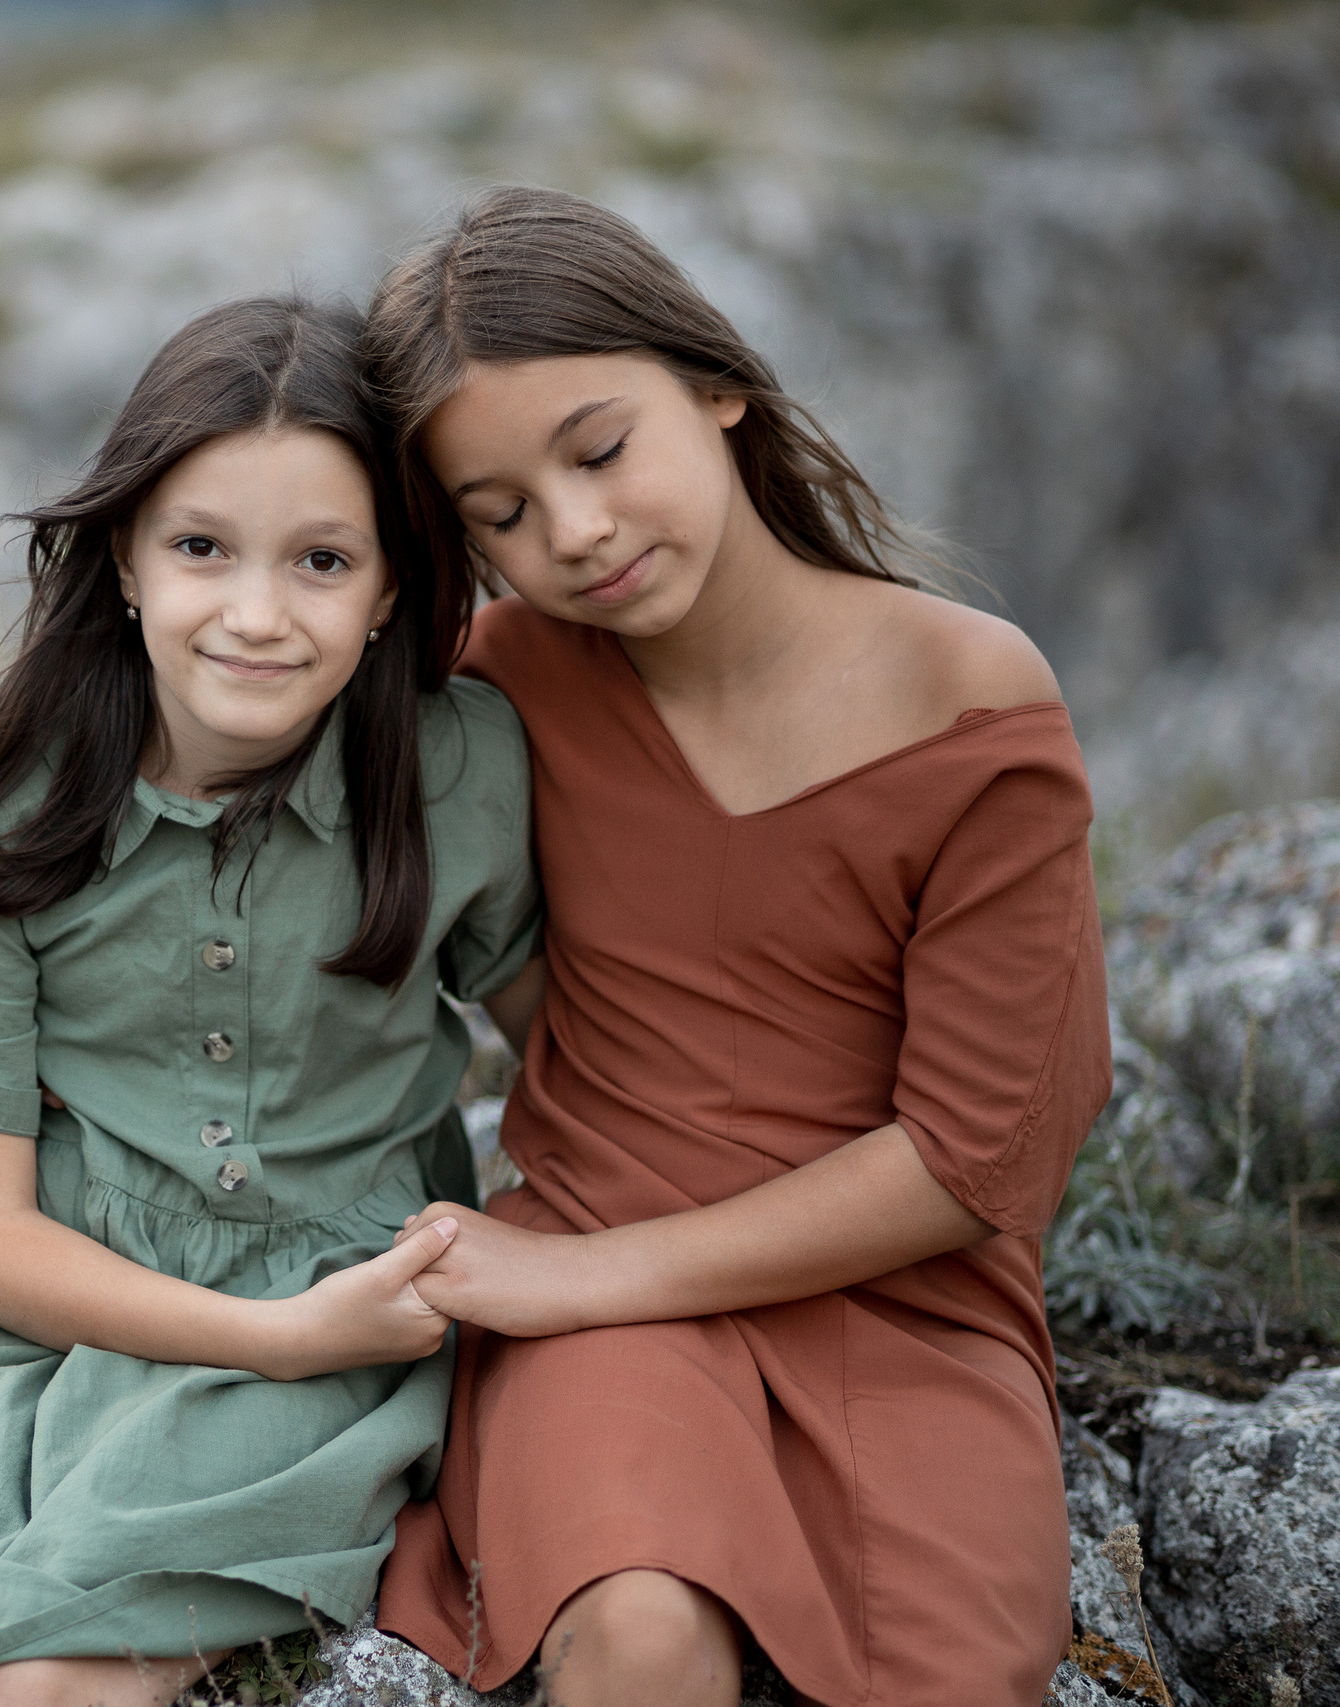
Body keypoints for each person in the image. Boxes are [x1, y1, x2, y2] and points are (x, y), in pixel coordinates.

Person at [0, 296, 543, 1707]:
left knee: (56, 1690)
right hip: (49, 1310)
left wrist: (488, 1282)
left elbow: (577, 1064)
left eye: (323, 560)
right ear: (126, 559)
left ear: (393, 586)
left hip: (327, 1296)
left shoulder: (456, 773)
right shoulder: (5, 811)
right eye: (202, 547)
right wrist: (288, 1335)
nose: (257, 613)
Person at [363, 185, 1113, 1707]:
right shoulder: (493, 685)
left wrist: (583, 1282)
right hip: (591, 1280)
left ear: (716, 385)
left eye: (600, 450)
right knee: (640, 1632)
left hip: (901, 1310)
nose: (571, 534)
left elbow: (979, 1162)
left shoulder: (967, 700)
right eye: (497, 514)